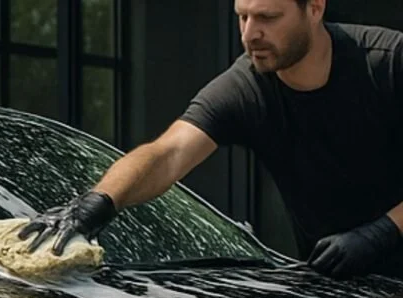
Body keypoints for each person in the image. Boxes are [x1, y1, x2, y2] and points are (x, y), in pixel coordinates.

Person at [20, 0, 403, 279]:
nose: (250, 34)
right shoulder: (247, 87)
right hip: (345, 292)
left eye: (268, 18)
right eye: (242, 16)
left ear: (315, 8)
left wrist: (382, 232)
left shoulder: (389, 62)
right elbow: (169, 152)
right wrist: (98, 203)